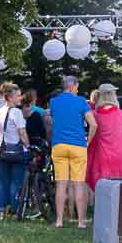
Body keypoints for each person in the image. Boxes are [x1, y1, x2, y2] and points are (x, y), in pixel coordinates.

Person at [46, 76, 91, 228]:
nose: (77, 90)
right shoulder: (81, 102)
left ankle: (59, 221)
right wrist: (87, 142)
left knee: (61, 185)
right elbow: (94, 124)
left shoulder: (53, 102)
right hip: (78, 146)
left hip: (58, 146)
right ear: (72, 87)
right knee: (79, 185)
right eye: (77, 87)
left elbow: (54, 121)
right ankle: (81, 222)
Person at [0, 84, 30, 220]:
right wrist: (28, 145)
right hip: (17, 152)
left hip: (2, 151)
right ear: (11, 98)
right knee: (16, 182)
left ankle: (1, 211)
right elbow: (22, 133)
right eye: (18, 95)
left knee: (3, 182)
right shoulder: (16, 112)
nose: (21, 98)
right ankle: (15, 210)